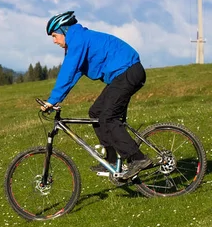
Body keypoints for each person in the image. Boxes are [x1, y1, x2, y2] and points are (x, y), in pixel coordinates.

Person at [40, 11, 151, 179]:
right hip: (122, 75)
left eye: (55, 36)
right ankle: (112, 160)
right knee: (96, 113)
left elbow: (68, 70)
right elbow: (73, 75)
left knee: (108, 117)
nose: (54, 41)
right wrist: (56, 100)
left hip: (128, 72)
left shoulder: (77, 39)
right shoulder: (78, 41)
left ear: (64, 31)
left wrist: (52, 100)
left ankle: (138, 158)